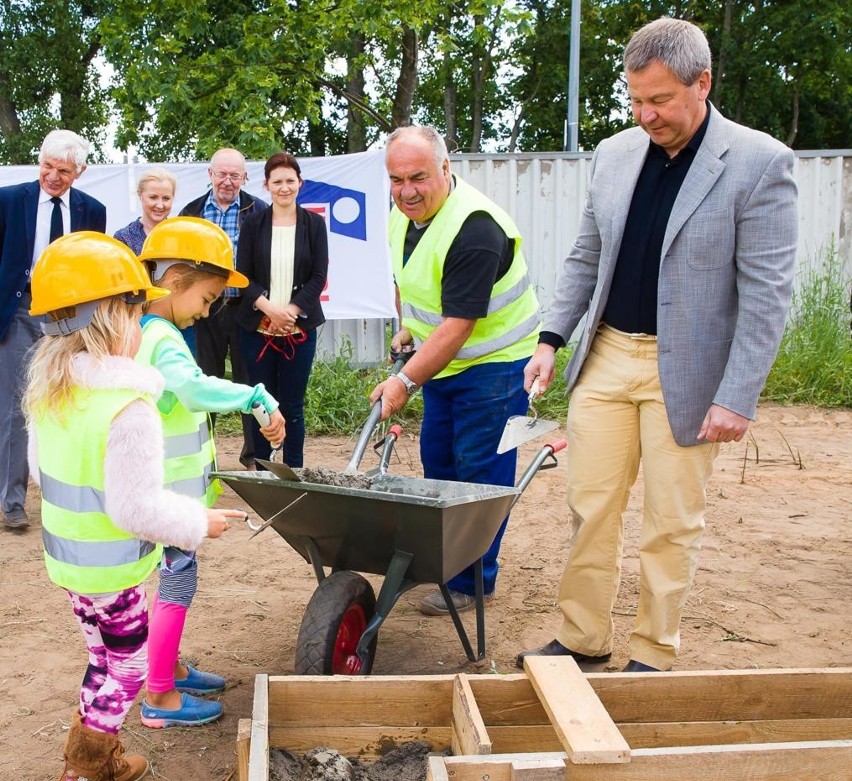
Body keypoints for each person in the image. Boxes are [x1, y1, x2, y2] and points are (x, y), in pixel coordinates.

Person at [515, 18, 798, 673]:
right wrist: (552, 338)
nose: (646, 114)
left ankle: (653, 652)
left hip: (691, 371)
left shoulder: (760, 163)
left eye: (661, 100)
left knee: (670, 521)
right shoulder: (614, 154)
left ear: (703, 83)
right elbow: (587, 254)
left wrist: (738, 395)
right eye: (636, 100)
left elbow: (766, 295)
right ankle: (584, 637)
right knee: (591, 506)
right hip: (607, 353)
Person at [23, 232, 239, 781]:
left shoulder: (51, 393)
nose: (141, 320)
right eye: (134, 307)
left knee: (103, 659)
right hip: (113, 568)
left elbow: (42, 474)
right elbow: (136, 509)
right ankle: (90, 768)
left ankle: (87, 757)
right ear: (110, 317)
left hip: (70, 565)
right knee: (129, 669)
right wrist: (199, 523)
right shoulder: (129, 405)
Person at [369, 125, 541, 616]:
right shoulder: (404, 214)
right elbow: (407, 275)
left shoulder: (476, 229)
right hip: (442, 364)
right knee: (439, 464)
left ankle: (474, 581)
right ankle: (445, 566)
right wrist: (406, 326)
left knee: (479, 474)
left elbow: (460, 325)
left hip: (495, 366)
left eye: (418, 177)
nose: (406, 191)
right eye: (396, 179)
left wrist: (404, 380)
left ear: (446, 168)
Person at [135, 216, 285, 728]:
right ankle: (160, 696)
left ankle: (167, 667)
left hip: (159, 487)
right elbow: (194, 388)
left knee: (168, 581)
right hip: (170, 492)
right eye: (206, 298)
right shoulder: (163, 337)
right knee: (178, 580)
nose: (207, 312)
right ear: (175, 281)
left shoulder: (140, 328)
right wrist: (253, 394)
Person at [0, 129, 106, 531]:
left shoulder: (92, 210)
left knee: (66, 401)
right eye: (47, 166)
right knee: (14, 407)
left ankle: (62, 496)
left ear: (78, 172)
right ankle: (12, 501)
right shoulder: (9, 201)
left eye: (63, 170)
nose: (53, 176)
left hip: (68, 317)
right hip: (20, 310)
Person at [236, 152, 329, 468]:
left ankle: (293, 470)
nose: (284, 187)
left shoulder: (314, 224)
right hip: (257, 329)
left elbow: (318, 276)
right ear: (267, 185)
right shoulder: (252, 224)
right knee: (260, 403)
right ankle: (262, 469)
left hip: (298, 329)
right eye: (278, 181)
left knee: (292, 405)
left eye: (290, 181)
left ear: (300, 183)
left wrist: (290, 311)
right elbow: (243, 276)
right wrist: (268, 309)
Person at [179, 148, 262, 468]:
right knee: (203, 381)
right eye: (222, 174)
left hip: (245, 308)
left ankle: (254, 457)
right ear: (210, 175)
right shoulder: (191, 212)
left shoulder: (259, 210)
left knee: (248, 380)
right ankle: (204, 457)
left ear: (245, 178)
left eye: (235, 175)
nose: (228, 181)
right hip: (204, 310)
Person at [113, 168, 178, 254]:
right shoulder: (124, 238)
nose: (160, 205)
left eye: (166, 198)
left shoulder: (180, 235)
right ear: (140, 195)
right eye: (153, 197)